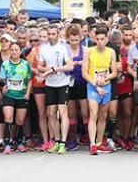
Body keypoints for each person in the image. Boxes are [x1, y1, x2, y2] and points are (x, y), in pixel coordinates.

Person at [81, 25, 118, 156]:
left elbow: (114, 72)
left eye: (103, 39)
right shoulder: (89, 51)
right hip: (93, 86)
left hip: (106, 86)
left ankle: (99, 142)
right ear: (95, 39)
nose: (100, 42)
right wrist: (96, 84)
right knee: (93, 113)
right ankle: (92, 144)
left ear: (107, 39)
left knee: (103, 116)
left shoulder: (111, 52)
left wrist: (105, 78)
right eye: (98, 39)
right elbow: (84, 73)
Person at [39, 25, 73, 154]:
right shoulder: (44, 48)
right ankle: (57, 140)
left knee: (62, 111)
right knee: (51, 112)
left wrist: (56, 69)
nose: (51, 37)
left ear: (58, 34)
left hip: (63, 83)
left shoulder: (64, 47)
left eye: (53, 34)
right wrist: (48, 70)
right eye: (49, 34)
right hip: (50, 84)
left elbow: (70, 66)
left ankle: (63, 142)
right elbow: (40, 67)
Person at [0, 36, 32, 154]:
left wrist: (27, 93)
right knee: (8, 118)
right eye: (12, 50)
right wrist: (3, 87)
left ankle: (19, 141)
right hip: (9, 95)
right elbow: (1, 79)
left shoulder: (25, 64)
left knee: (20, 120)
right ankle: (7, 143)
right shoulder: (5, 64)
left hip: (21, 95)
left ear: (20, 51)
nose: (14, 52)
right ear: (10, 51)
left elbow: (30, 79)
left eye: (16, 50)